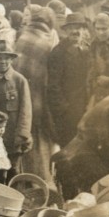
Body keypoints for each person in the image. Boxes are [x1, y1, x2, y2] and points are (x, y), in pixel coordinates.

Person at [14, 6, 57, 183]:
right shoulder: (46, 44)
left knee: (24, 144)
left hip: (19, 100)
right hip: (38, 101)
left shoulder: (22, 38)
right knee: (40, 147)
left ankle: (26, 184)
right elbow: (47, 80)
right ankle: (41, 186)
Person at [0, 41, 33, 176]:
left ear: (12, 59)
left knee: (13, 172)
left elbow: (26, 111)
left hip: (12, 138)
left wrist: (22, 135)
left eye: (6, 58)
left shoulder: (19, 81)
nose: (3, 61)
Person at [47, 12, 90, 147]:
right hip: (68, 113)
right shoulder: (58, 52)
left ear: (84, 30)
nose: (75, 31)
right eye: (71, 28)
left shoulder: (87, 49)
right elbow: (53, 86)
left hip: (86, 107)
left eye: (79, 27)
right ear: (65, 30)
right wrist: (64, 110)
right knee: (68, 149)